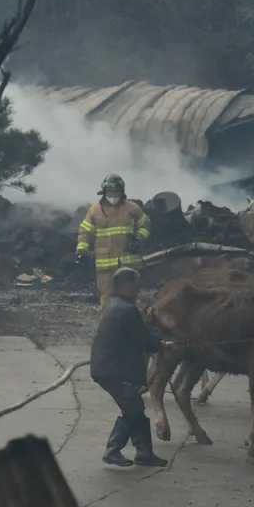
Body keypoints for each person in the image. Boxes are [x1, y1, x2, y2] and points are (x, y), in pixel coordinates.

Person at [90, 267, 172, 467]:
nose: (138, 290)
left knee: (135, 407)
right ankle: (113, 450)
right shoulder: (127, 310)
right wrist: (160, 344)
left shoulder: (114, 304)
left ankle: (144, 453)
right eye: (136, 286)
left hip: (107, 367)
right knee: (133, 409)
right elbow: (142, 339)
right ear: (127, 286)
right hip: (113, 370)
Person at [75, 174, 152, 311]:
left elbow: (146, 224)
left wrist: (139, 239)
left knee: (128, 297)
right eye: (110, 192)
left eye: (116, 192)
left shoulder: (132, 208)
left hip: (128, 263)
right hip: (105, 265)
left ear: (122, 192)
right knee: (106, 298)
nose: (113, 195)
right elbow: (85, 231)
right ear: (104, 192)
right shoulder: (94, 210)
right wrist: (81, 250)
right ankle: (109, 326)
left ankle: (128, 326)